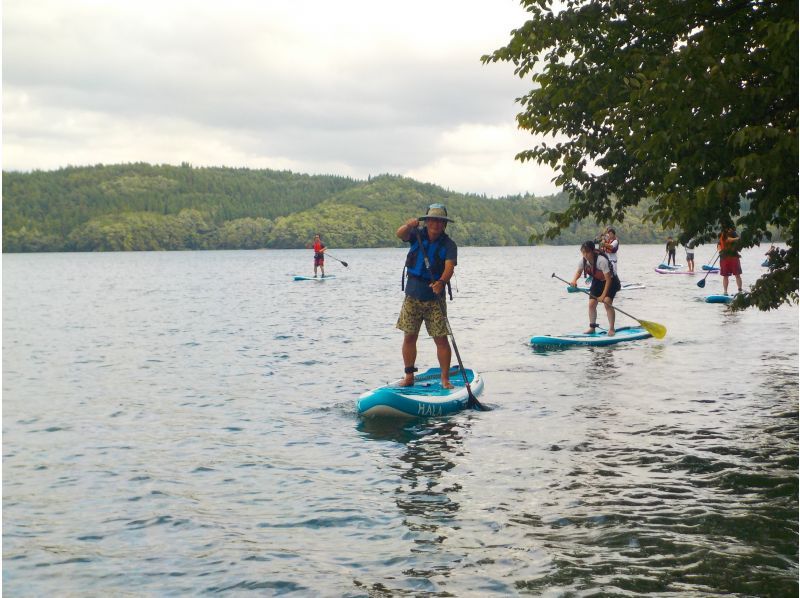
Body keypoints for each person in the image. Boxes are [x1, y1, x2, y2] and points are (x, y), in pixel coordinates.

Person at [396, 203, 458, 389]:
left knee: (441, 339)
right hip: (412, 295)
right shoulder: (416, 234)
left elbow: (449, 268)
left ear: (444, 224)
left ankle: (445, 379)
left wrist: (441, 282)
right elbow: (400, 234)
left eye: (440, 221)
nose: (436, 224)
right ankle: (409, 377)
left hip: (434, 299)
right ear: (427, 221)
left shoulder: (449, 245)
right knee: (409, 337)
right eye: (432, 220)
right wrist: (408, 225)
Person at [570, 240, 621, 336]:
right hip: (597, 281)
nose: (585, 255)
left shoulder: (602, 260)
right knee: (591, 304)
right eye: (583, 252)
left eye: (587, 252)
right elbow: (579, 272)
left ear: (593, 251)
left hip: (611, 281)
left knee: (607, 302)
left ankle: (611, 329)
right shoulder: (583, 261)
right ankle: (592, 328)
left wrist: (602, 295)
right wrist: (574, 280)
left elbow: (608, 280)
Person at [718, 227, 743, 294]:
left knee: (737, 274)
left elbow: (730, 240)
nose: (729, 229)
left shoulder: (733, 233)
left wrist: (736, 239)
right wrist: (720, 251)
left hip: (734, 257)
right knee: (725, 275)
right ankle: (725, 291)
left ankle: (740, 290)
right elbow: (719, 244)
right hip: (724, 258)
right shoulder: (722, 234)